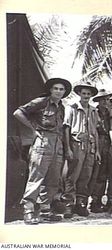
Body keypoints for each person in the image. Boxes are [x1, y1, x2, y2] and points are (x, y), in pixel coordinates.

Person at [13, 78, 72, 224]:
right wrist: (33, 130)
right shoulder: (42, 102)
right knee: (36, 177)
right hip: (43, 141)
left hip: (57, 143)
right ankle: (28, 210)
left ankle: (45, 210)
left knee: (53, 179)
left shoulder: (62, 107)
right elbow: (18, 113)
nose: (58, 91)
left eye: (61, 89)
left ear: (64, 92)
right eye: (56, 88)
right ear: (51, 90)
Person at [62, 82, 100, 218]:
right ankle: (68, 205)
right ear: (79, 94)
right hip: (76, 145)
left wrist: (97, 151)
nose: (86, 96)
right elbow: (66, 128)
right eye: (84, 93)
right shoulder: (71, 108)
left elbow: (95, 131)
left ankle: (80, 203)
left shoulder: (93, 110)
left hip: (90, 146)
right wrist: (68, 149)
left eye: (88, 94)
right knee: (73, 175)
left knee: (86, 176)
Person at [89, 89, 112, 213]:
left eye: (107, 99)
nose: (105, 101)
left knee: (106, 172)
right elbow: (94, 130)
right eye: (103, 99)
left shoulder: (109, 113)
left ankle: (102, 200)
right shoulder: (94, 112)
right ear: (98, 101)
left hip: (108, 142)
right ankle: (94, 200)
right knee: (97, 172)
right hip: (98, 140)